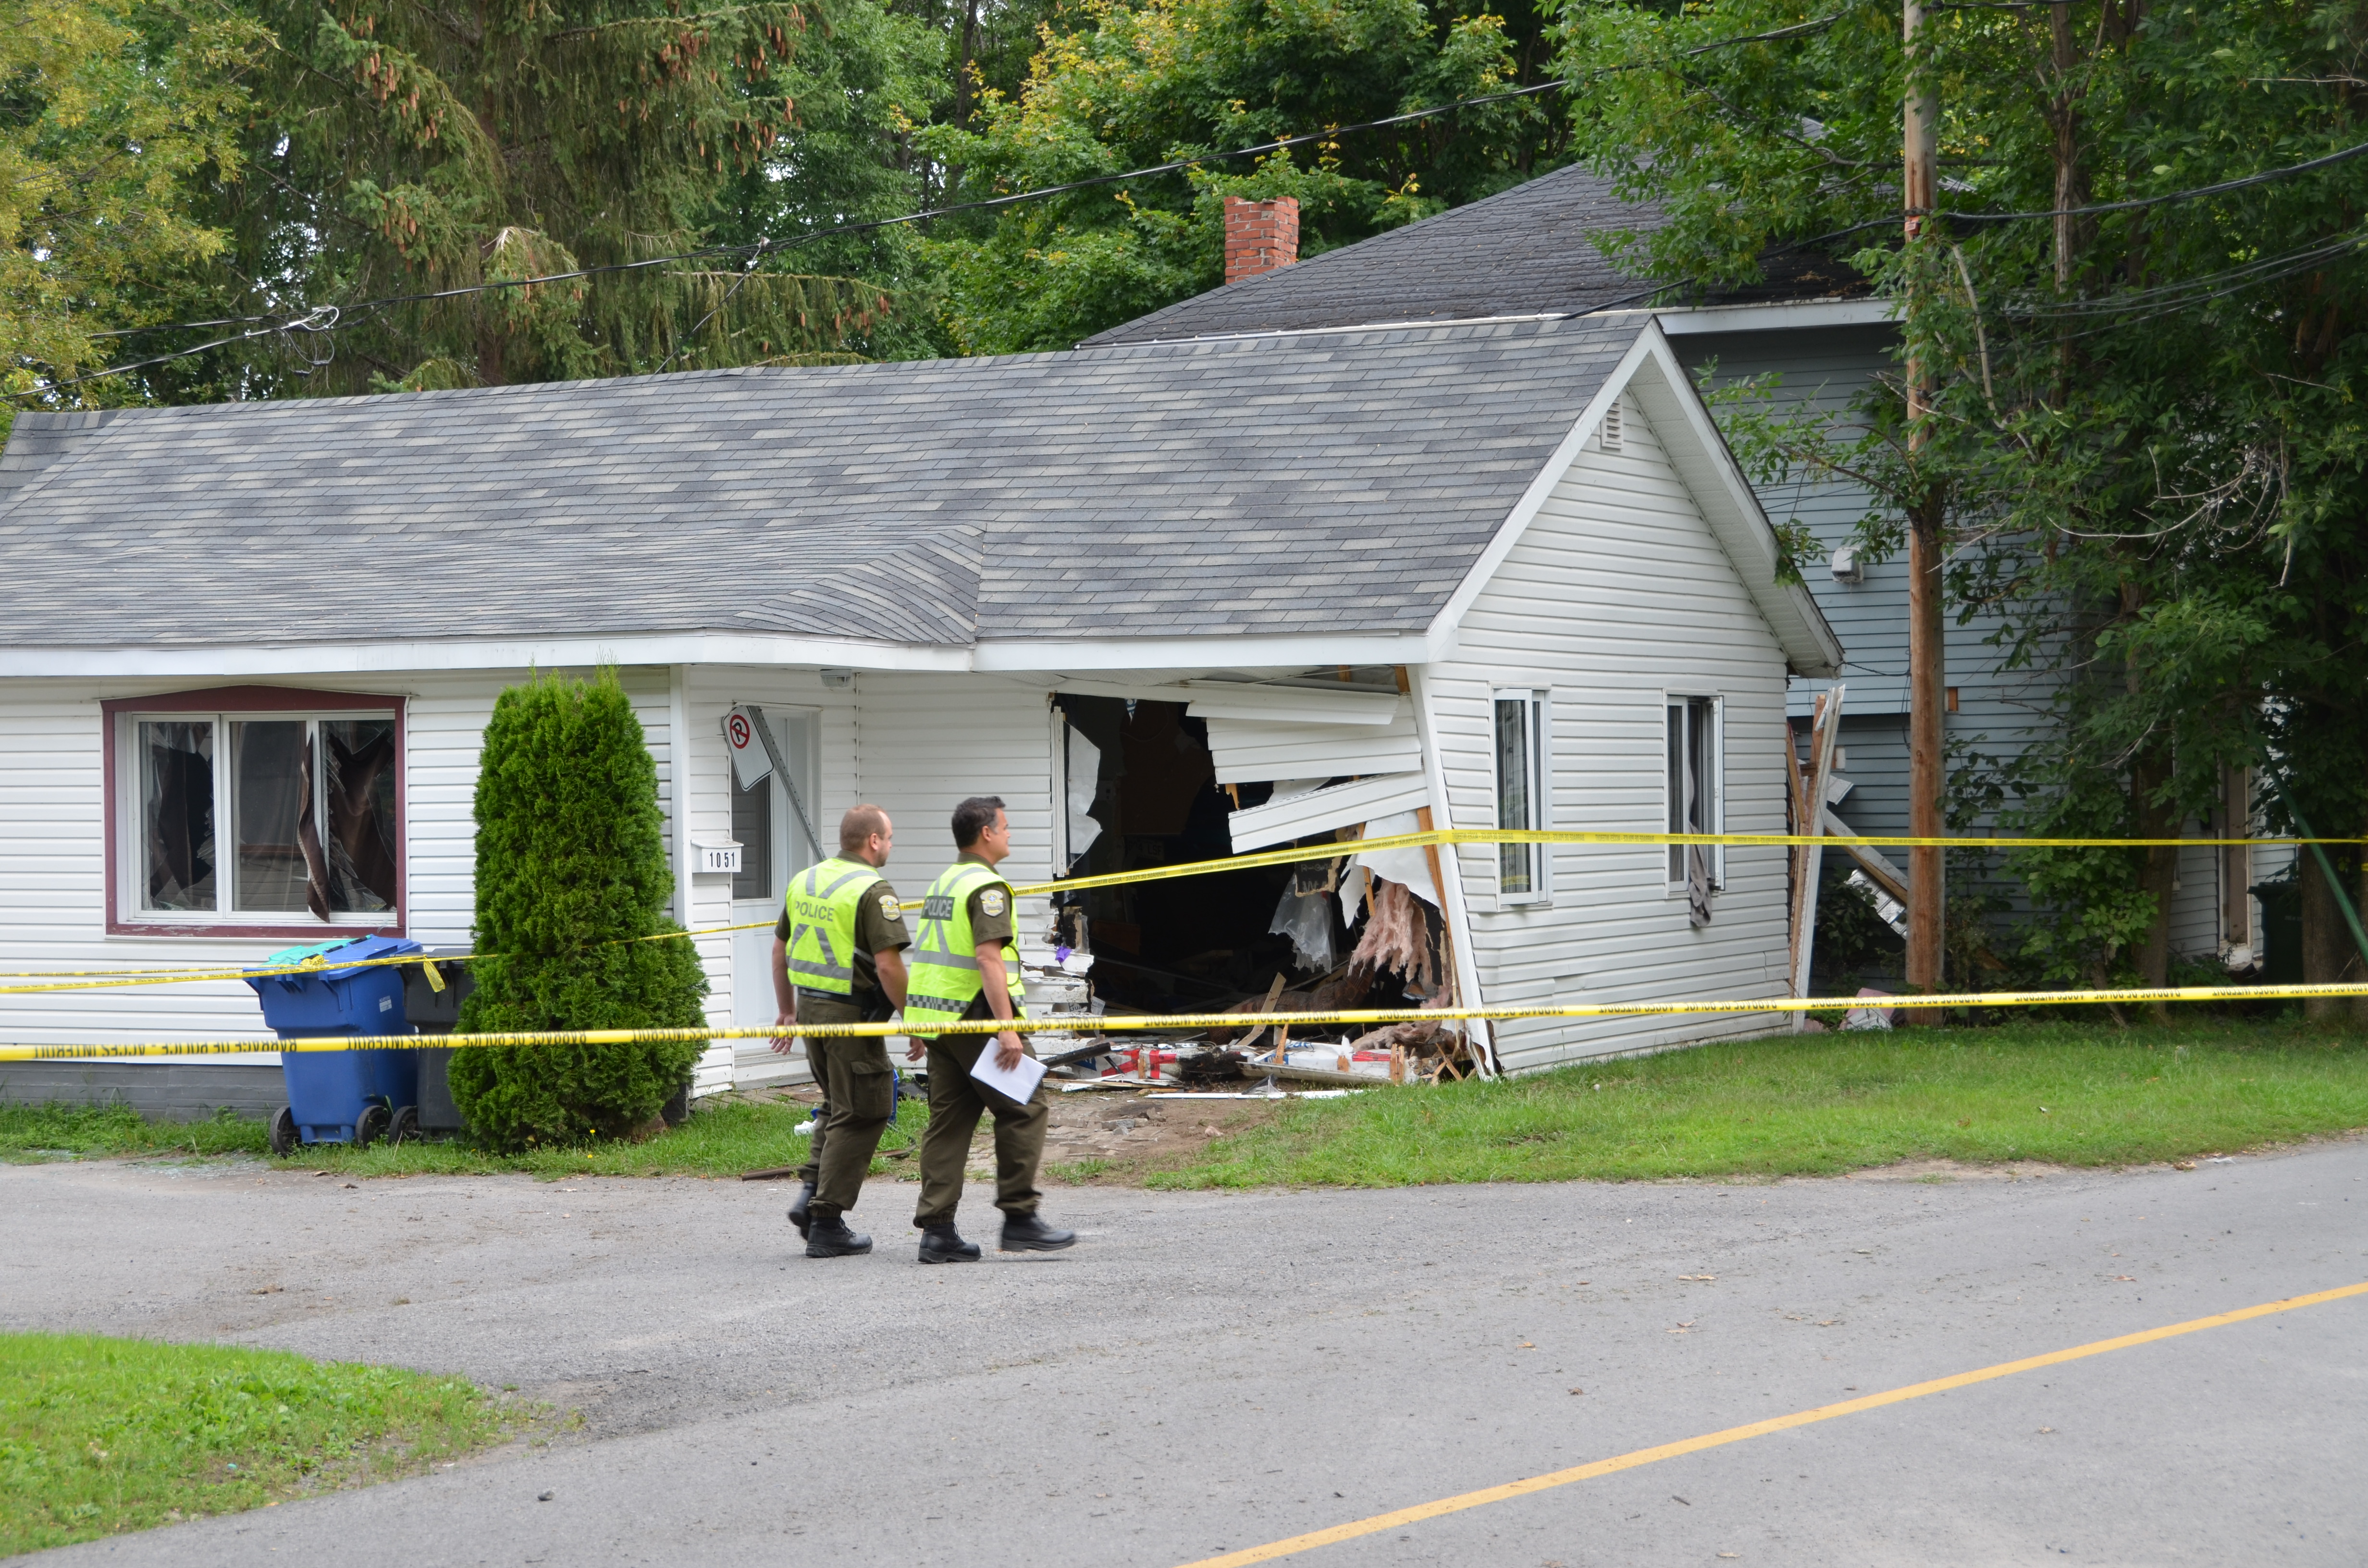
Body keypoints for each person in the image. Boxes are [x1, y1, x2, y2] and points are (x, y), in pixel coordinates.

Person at [900, 796, 1076, 1263]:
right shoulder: (987, 887)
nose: (1010, 833)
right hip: (977, 1018)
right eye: (1005, 826)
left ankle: (938, 1231)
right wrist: (1006, 1028)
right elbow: (987, 958)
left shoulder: (944, 882)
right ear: (986, 833)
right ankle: (1019, 1218)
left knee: (949, 1123)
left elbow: (929, 958)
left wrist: (916, 1022)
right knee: (1025, 1107)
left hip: (941, 1023)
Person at [770, 805, 910, 1259]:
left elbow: (779, 950)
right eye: (890, 837)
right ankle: (827, 1220)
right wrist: (914, 1019)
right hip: (850, 1017)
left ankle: (810, 1196)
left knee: (837, 1103)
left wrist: (786, 1011)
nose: (891, 845)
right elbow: (888, 966)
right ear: (873, 840)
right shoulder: (873, 889)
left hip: (810, 1011)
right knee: (867, 1109)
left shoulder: (805, 880)